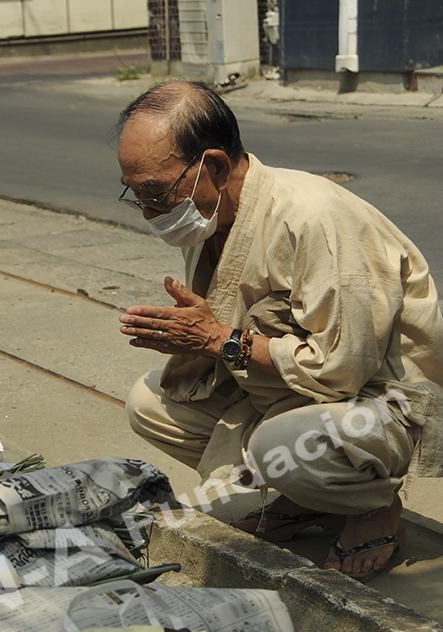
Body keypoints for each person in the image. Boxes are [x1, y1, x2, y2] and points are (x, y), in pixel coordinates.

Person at [118, 80, 443, 581]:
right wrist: (194, 337)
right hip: (289, 393)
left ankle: (373, 506)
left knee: (279, 445)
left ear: (217, 166)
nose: (148, 213)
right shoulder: (213, 215)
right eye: (136, 195)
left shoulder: (312, 217)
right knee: (149, 403)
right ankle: (307, 496)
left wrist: (216, 339)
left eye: (156, 195)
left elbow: (342, 372)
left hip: (383, 401)